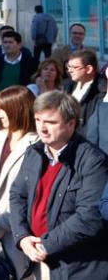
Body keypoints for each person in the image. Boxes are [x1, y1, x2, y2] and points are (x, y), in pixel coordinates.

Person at [9, 91, 108, 280]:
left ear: (71, 124)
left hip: (78, 266)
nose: (42, 128)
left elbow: (89, 216)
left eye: (51, 122)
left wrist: (45, 244)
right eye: (38, 120)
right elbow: (17, 195)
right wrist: (22, 237)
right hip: (37, 258)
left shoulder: (93, 161)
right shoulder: (34, 152)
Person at [0, 86, 38, 280]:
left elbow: (30, 193)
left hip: (17, 231)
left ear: (18, 110)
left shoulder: (36, 144)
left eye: (4, 109)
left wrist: (2, 225)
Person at [65, 49, 106, 135]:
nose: (70, 70)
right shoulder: (68, 85)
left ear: (89, 69)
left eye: (75, 67)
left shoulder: (101, 90)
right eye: (69, 66)